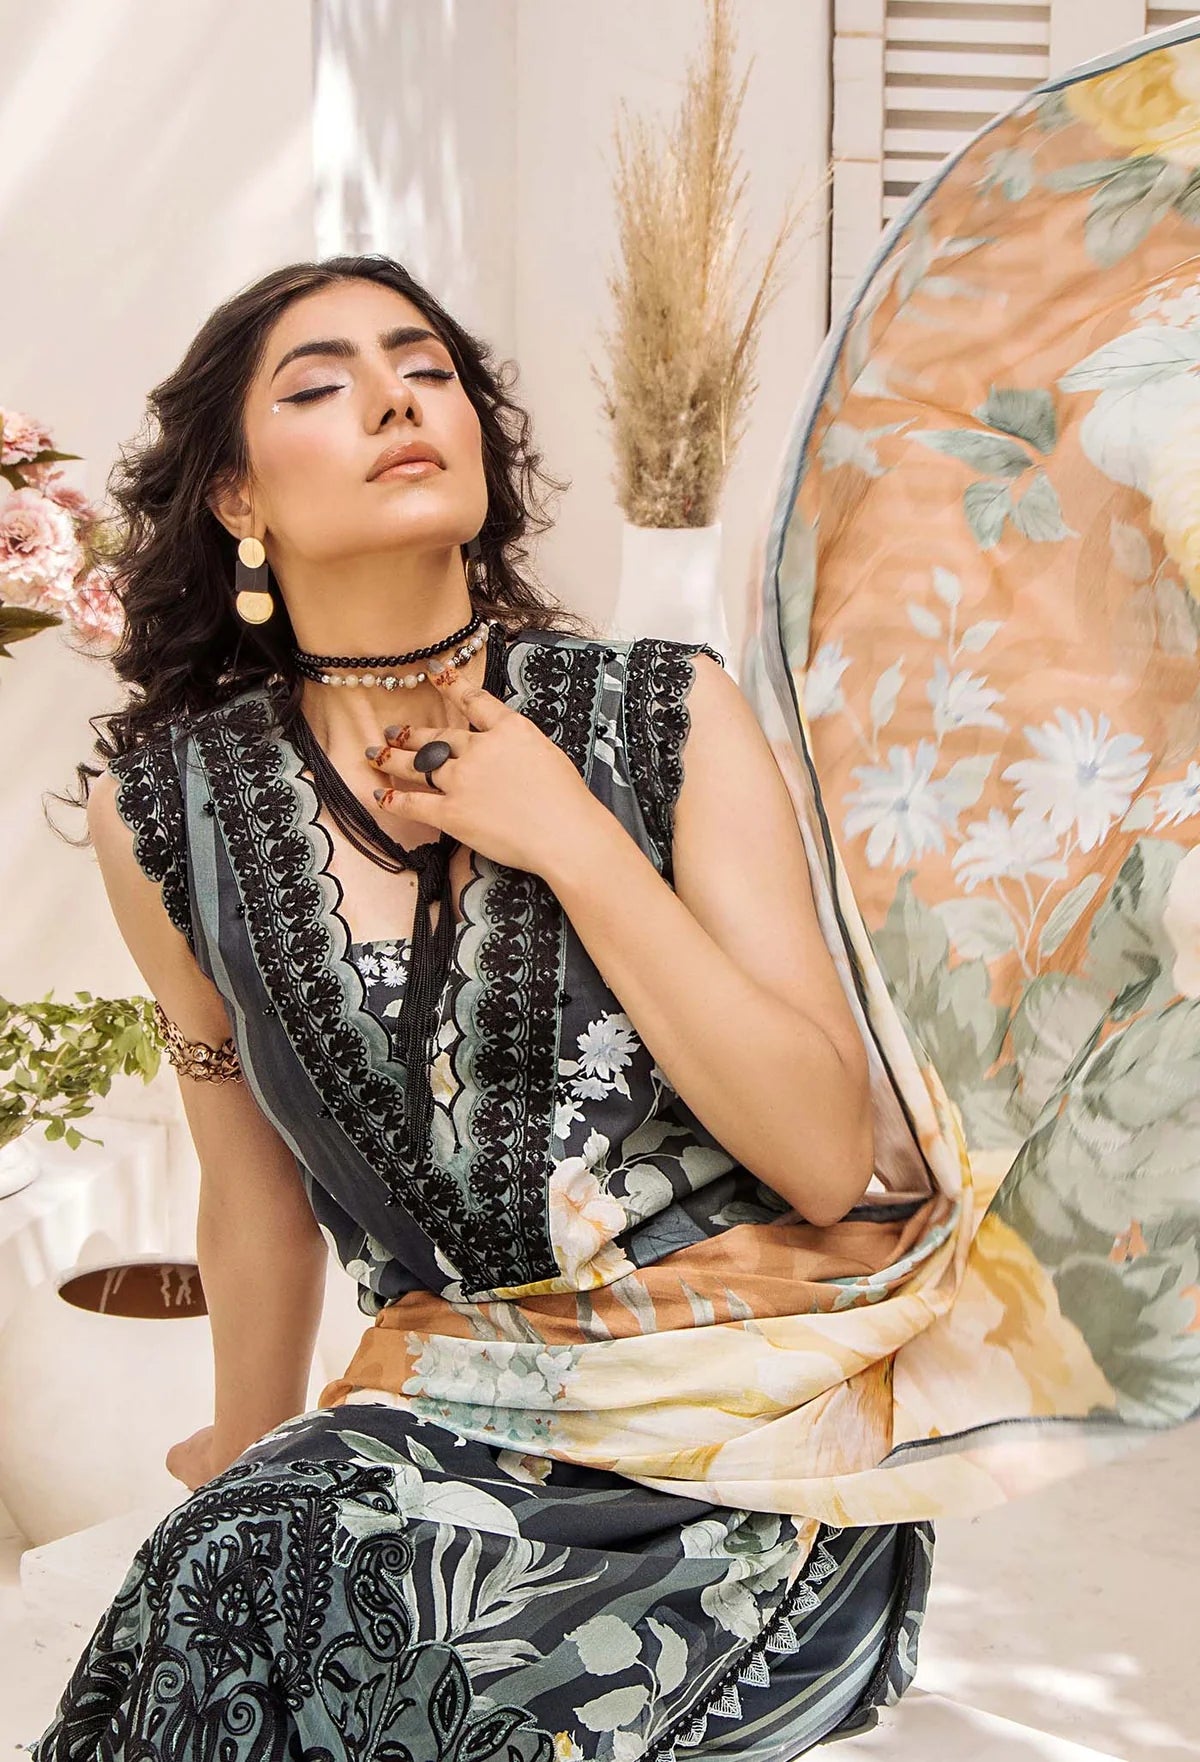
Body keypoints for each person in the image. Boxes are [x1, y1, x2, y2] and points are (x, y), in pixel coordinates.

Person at [30, 256, 930, 1760]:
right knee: (236, 1568)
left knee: (404, 1629)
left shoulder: (664, 713)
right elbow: (250, 1190)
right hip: (438, 1418)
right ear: (239, 498)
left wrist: (574, 837)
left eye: (427, 369)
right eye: (322, 386)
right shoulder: (167, 811)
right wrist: (250, 1451)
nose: (396, 399)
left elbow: (827, 1154)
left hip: (747, 1441)